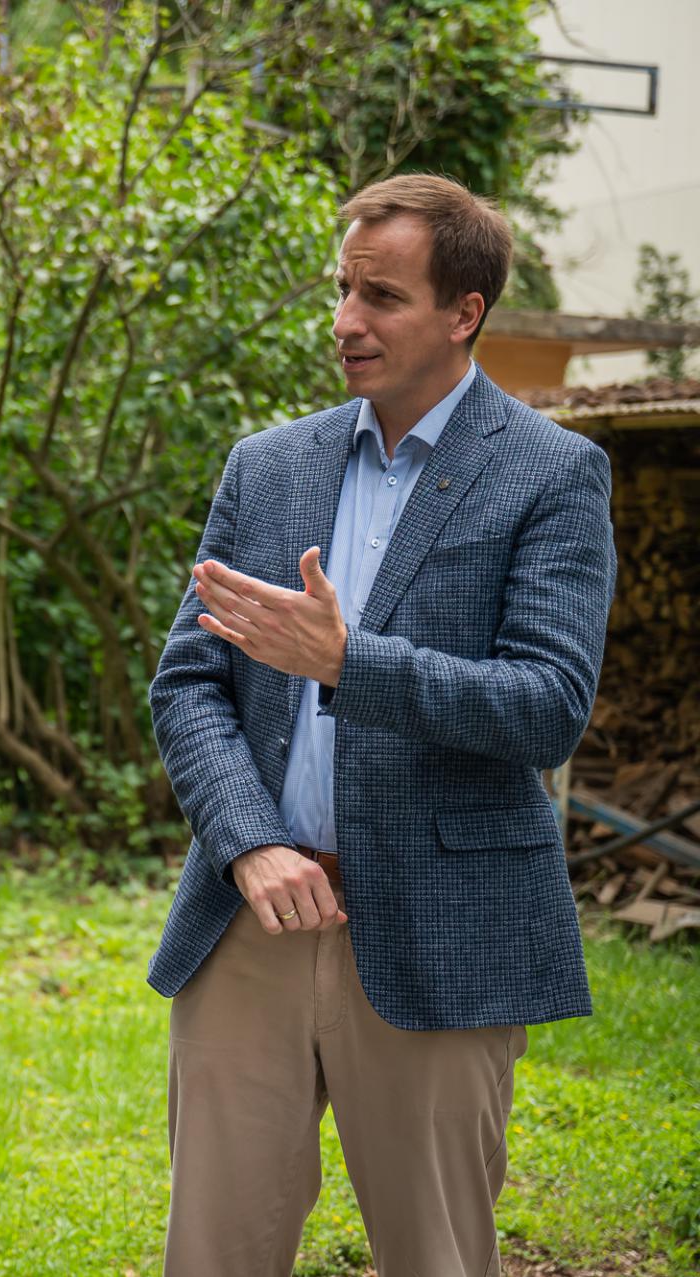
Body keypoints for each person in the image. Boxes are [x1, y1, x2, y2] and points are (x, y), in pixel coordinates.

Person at [146, 174, 616, 1276]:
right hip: (253, 920)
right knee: (212, 1254)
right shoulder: (269, 465)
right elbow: (189, 683)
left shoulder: (553, 472)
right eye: (344, 290)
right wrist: (249, 842)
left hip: (442, 927)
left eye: (384, 297)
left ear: (465, 311)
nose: (347, 321)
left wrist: (349, 663)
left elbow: (547, 705)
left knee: (436, 1254)